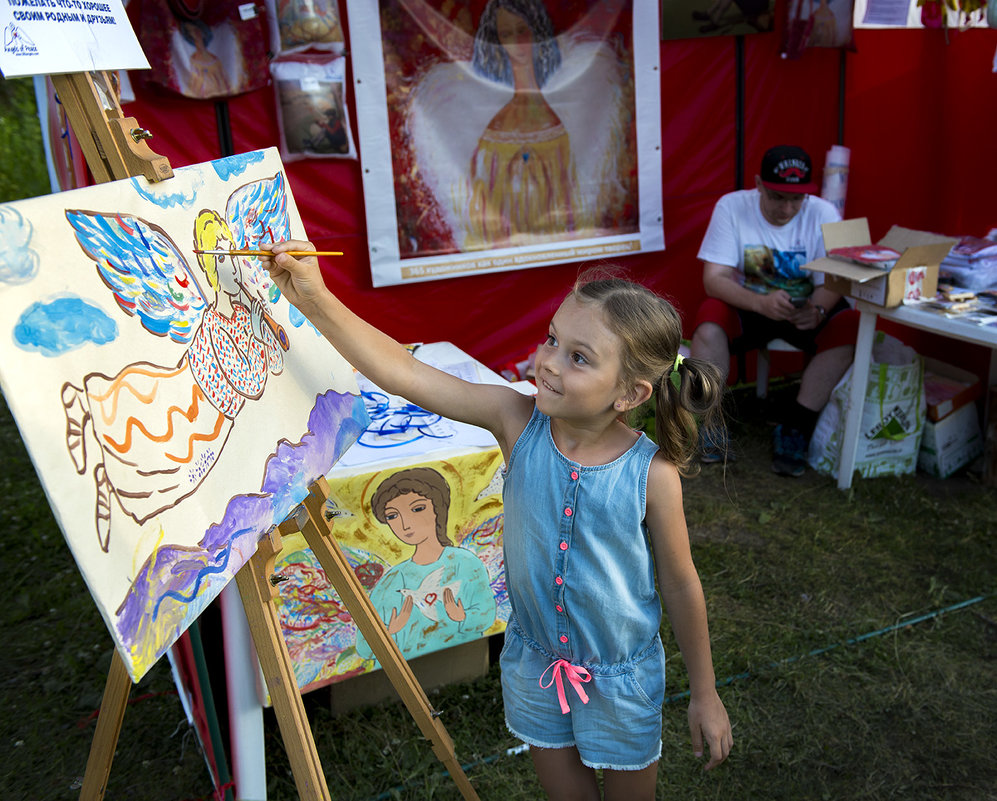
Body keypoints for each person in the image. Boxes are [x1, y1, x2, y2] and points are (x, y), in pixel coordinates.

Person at [263, 241, 732, 800]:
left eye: (579, 357)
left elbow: (681, 584)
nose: (550, 362)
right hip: (534, 664)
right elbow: (405, 372)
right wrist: (315, 299)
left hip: (620, 682)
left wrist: (704, 691)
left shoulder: (652, 475)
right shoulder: (516, 420)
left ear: (631, 393)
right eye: (553, 339)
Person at [689, 144, 858, 477]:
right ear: (759, 185)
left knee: (852, 325)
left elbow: (837, 281)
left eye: (797, 199)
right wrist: (759, 303)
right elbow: (714, 280)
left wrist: (819, 311)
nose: (787, 208)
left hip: (802, 309)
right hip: (748, 306)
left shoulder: (823, 213)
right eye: (778, 197)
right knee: (709, 319)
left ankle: (796, 425)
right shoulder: (733, 207)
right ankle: (708, 421)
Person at [355, 467, 497, 661]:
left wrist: (463, 617)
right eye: (392, 516)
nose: (405, 524)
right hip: (403, 676)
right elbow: (363, 647)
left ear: (438, 509)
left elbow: (486, 614)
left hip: (459, 660)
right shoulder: (391, 580)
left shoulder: (466, 563)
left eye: (417, 509)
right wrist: (390, 632)